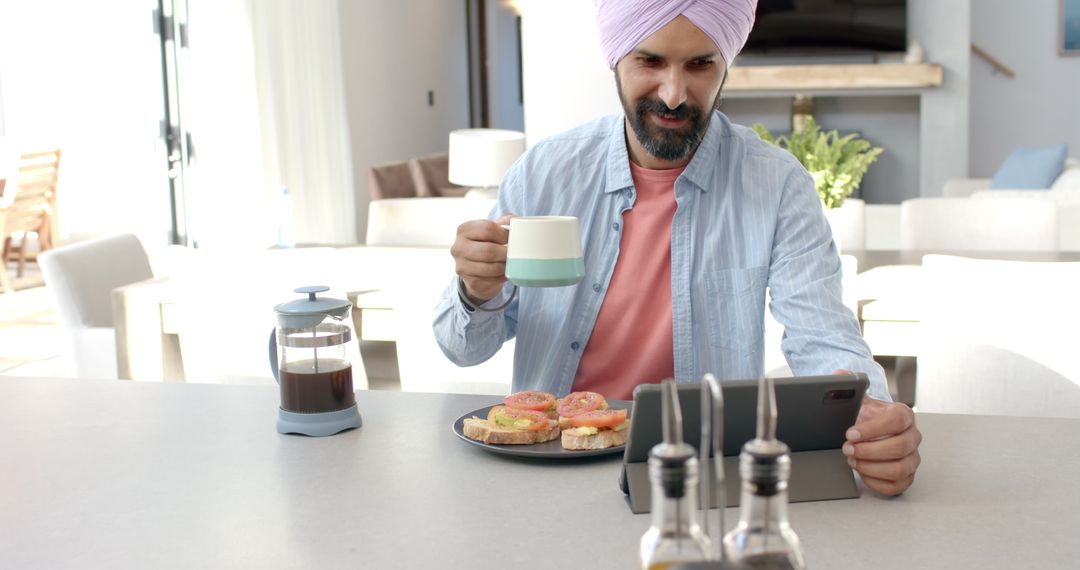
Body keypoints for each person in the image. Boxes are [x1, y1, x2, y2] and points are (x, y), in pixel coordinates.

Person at [433, 0, 921, 496]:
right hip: (550, 466)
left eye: (700, 64)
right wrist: (475, 289)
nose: (673, 94)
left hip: (699, 477)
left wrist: (873, 419)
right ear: (616, 59)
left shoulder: (776, 183)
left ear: (725, 64)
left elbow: (823, 335)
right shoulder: (544, 172)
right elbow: (462, 348)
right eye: (650, 61)